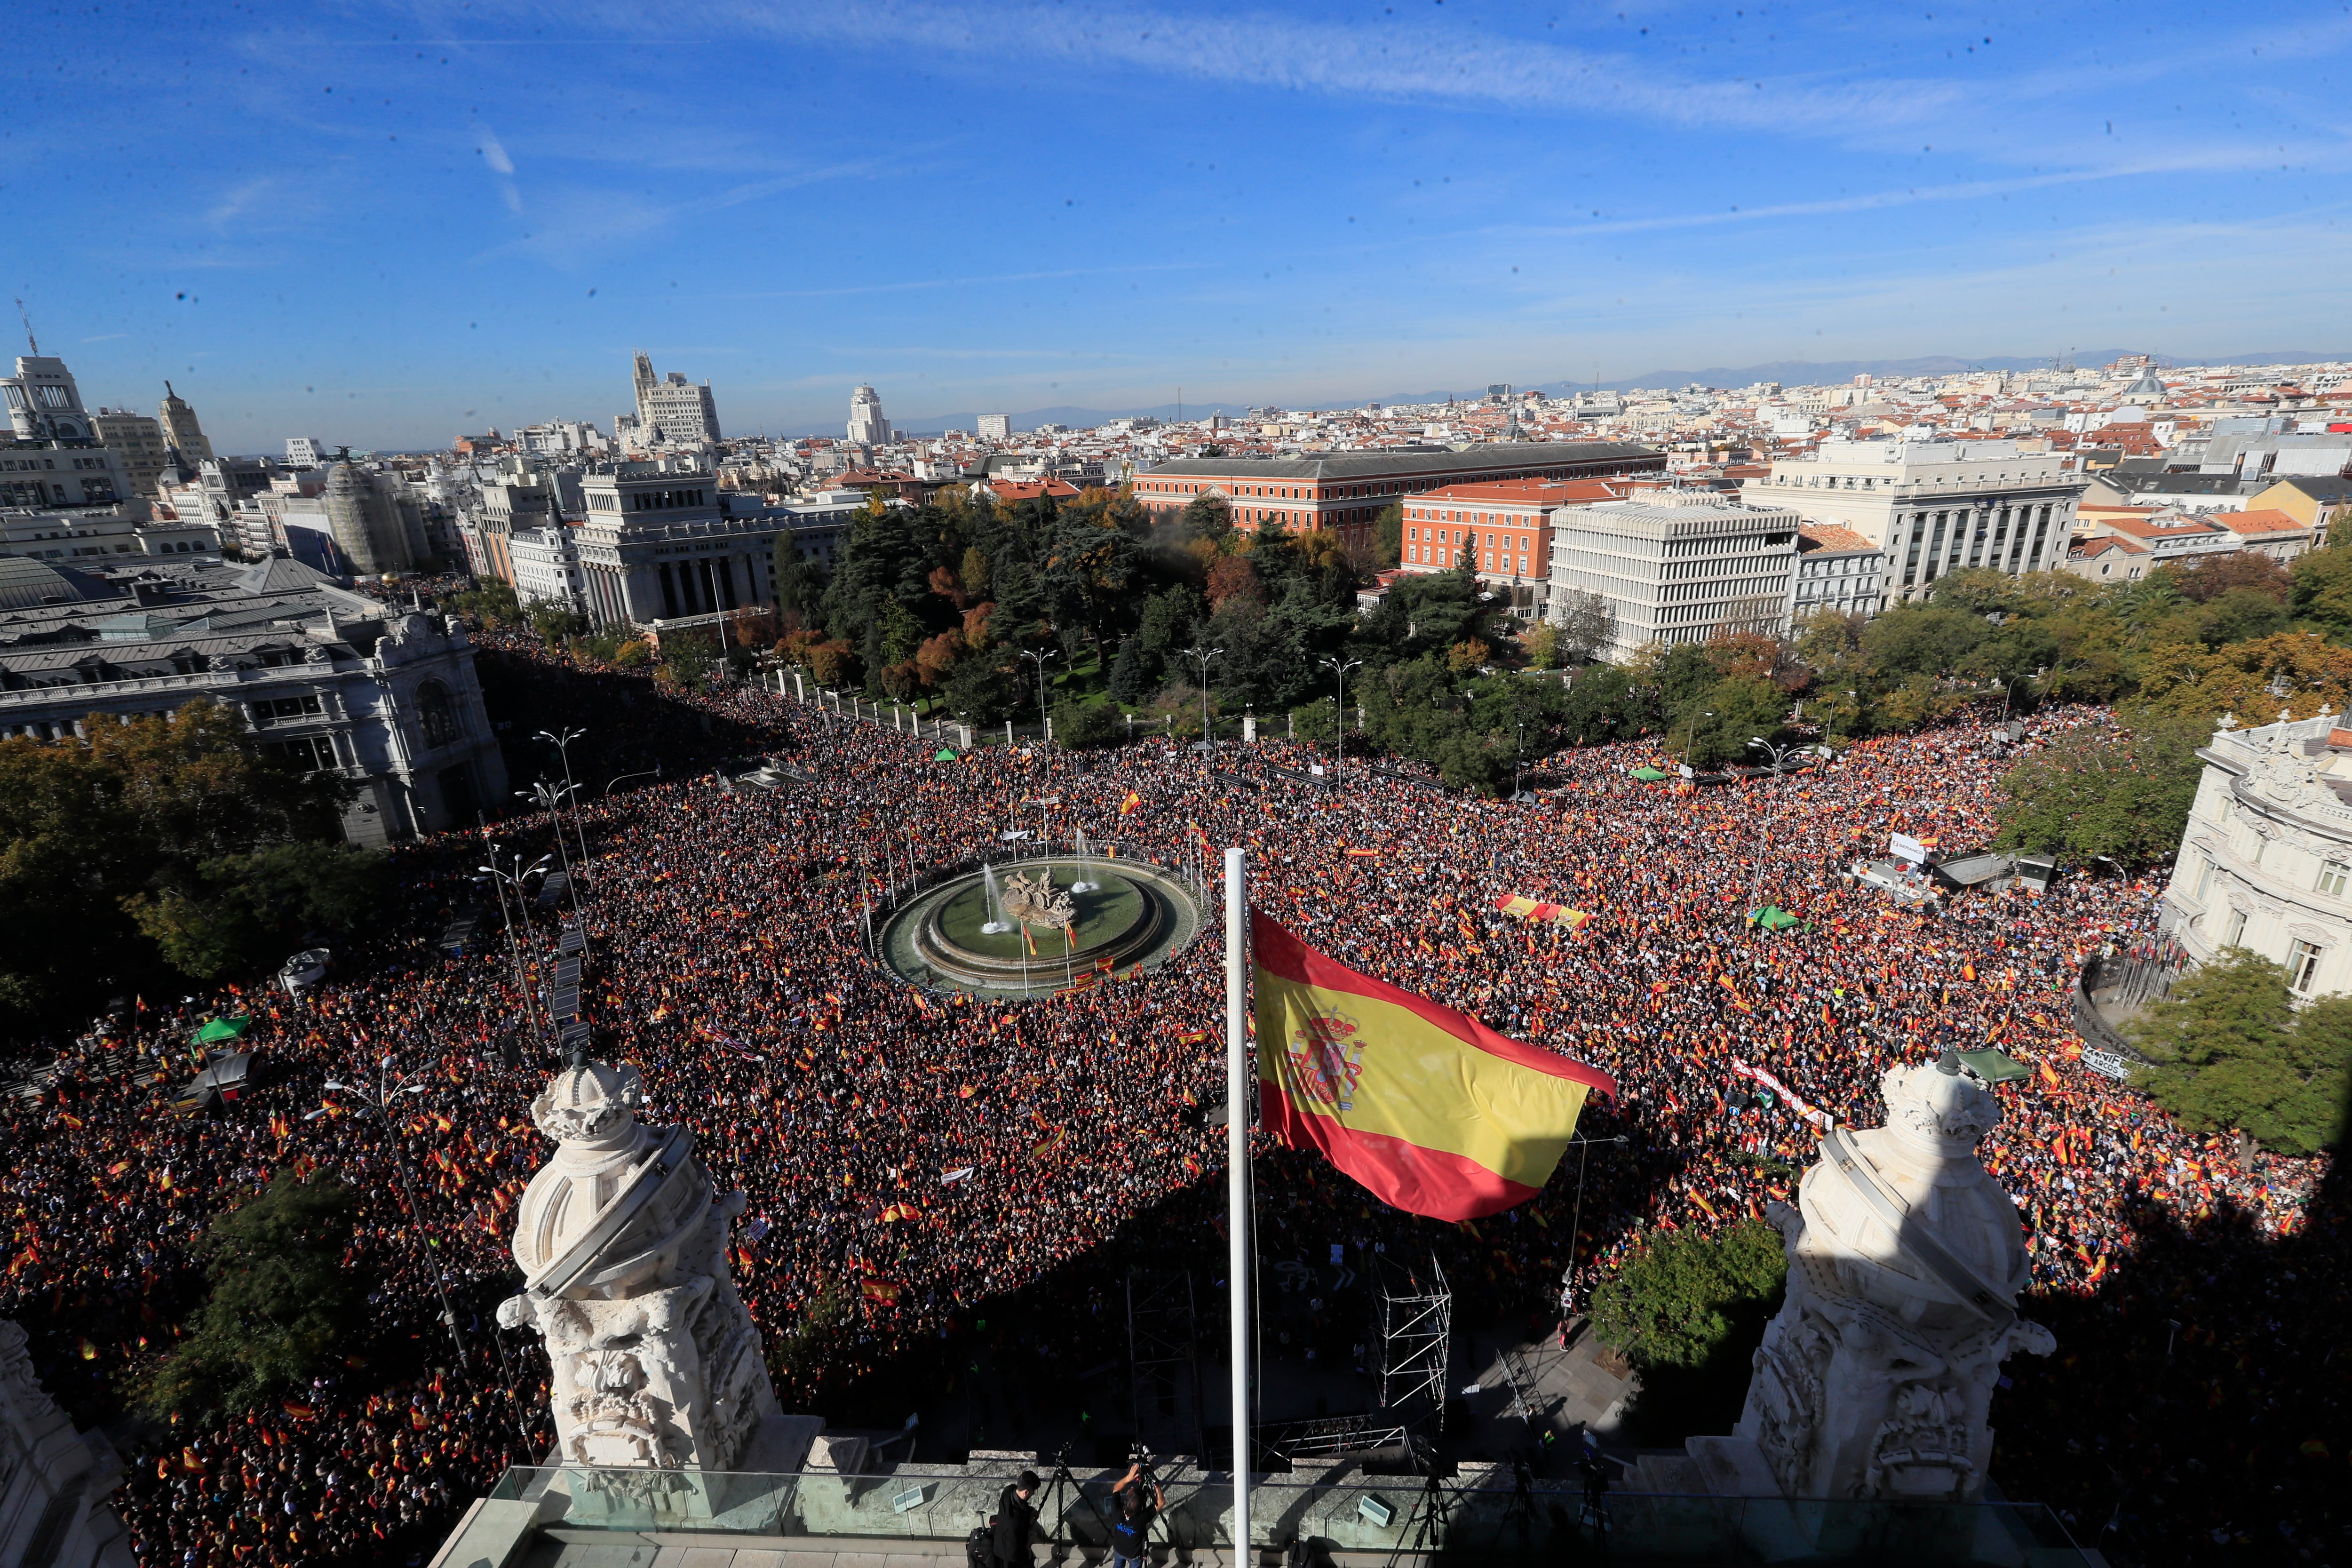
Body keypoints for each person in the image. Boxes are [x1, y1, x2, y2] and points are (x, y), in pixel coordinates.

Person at [1108, 1461, 1163, 1568]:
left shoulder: (1116, 1511)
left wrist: (1128, 1478)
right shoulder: (1141, 1519)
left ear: (1125, 1503)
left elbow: (1116, 1489)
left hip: (1119, 1550)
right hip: (1135, 1555)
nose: (1131, 1488)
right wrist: (1156, 1484)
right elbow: (1161, 1503)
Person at [992, 1469, 1039, 1568]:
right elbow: (1013, 1555)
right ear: (1026, 1492)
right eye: (1033, 1492)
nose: (1033, 1494)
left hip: (1001, 1544)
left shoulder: (1009, 1491)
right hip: (1011, 1557)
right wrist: (1027, 1555)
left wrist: (1029, 1510)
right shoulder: (1014, 1523)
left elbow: (1021, 1505)